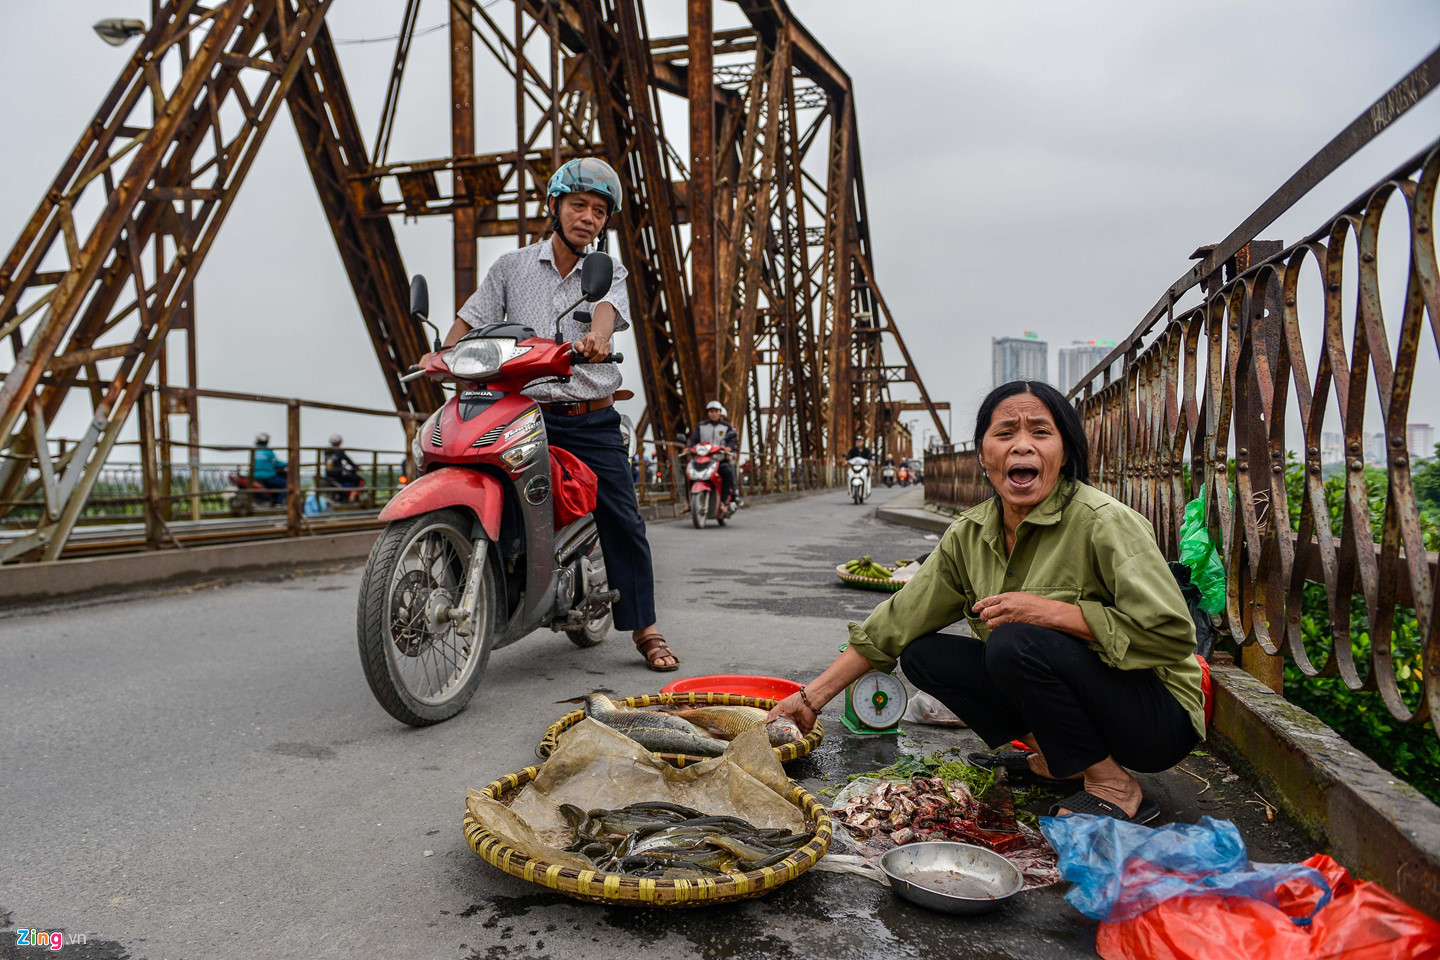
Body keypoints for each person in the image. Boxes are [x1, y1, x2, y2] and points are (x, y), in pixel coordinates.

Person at [768, 380, 1204, 823]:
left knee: (1014, 641)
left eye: (1040, 432)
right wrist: (810, 699)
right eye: (1005, 433)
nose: (1021, 446)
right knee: (923, 654)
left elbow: (1171, 636)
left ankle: (1113, 783)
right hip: (1085, 708)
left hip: (1154, 719)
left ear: (1066, 451)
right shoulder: (970, 535)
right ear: (982, 454)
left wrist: (1054, 613)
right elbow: (896, 622)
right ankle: (1064, 760)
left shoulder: (1104, 523)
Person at [427, 157, 679, 672]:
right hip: (519, 408)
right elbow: (468, 321)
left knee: (622, 518)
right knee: (463, 472)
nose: (588, 217)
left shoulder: (605, 272)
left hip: (587, 415)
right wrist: (442, 352)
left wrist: (597, 339)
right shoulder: (511, 268)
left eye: (599, 211)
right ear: (555, 207)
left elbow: (605, 313)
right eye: (578, 205)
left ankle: (646, 629)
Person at [688, 400, 741, 508]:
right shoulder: (701, 426)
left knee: (727, 472)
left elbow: (732, 440)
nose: (713, 413)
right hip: (703, 459)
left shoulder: (726, 427)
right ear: (708, 413)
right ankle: (688, 502)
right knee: (688, 473)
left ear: (720, 412)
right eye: (711, 411)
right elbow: (694, 439)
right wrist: (689, 448)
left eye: (716, 411)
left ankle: (723, 501)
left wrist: (729, 448)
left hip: (719, 459)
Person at [251, 433, 286, 505]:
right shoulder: (269, 451)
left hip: (255, 476)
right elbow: (276, 463)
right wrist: (288, 463)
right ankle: (279, 502)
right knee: (287, 485)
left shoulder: (254, 451)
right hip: (268, 477)